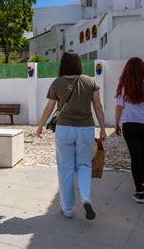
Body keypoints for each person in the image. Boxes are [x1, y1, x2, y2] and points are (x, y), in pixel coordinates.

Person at [36, 52, 106, 220]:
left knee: (65, 168)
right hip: (86, 129)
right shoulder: (90, 81)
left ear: (63, 64)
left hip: (64, 129)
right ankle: (86, 198)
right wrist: (103, 128)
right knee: (84, 165)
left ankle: (67, 209)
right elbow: (98, 106)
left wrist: (40, 126)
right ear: (78, 64)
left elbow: (49, 107)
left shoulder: (57, 83)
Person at [114, 57, 144, 204]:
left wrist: (116, 124)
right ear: (143, 69)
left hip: (130, 125)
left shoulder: (124, 87)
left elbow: (118, 107)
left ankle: (139, 192)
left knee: (135, 157)